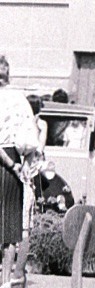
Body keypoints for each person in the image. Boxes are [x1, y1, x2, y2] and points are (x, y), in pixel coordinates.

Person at [0, 54, 38, 249]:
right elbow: (31, 137)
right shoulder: (20, 99)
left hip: (6, 160)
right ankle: (6, 279)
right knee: (10, 229)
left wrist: (11, 164)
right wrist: (22, 165)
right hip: (14, 159)